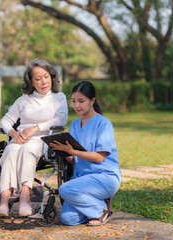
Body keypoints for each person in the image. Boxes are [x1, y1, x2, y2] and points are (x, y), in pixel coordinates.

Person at [0, 59, 68, 217]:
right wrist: (12, 133)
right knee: (9, 152)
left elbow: (60, 120)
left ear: (51, 76)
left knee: (27, 150)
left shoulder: (58, 97)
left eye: (46, 76)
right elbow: (5, 120)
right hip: (19, 139)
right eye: (38, 78)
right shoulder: (23, 100)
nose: (43, 81)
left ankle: (25, 199)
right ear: (31, 82)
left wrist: (35, 128)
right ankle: (4, 202)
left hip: (43, 141)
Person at [50, 81, 121, 226]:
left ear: (92, 101)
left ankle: (102, 210)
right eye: (74, 101)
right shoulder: (75, 125)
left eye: (81, 101)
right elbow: (73, 159)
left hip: (104, 177)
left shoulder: (104, 123)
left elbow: (99, 157)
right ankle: (96, 206)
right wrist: (61, 150)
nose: (77, 105)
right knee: (68, 218)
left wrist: (72, 151)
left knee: (64, 189)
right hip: (81, 179)